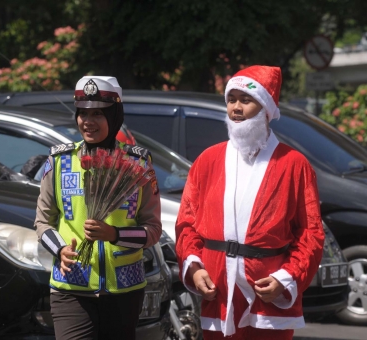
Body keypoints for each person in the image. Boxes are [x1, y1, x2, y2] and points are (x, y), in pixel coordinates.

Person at [175, 65, 325, 340]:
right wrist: (194, 268)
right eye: (231, 100)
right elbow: (187, 223)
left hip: (268, 291)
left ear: (265, 109)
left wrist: (286, 278)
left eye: (246, 100)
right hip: (218, 290)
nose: (236, 108)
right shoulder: (208, 160)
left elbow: (311, 232)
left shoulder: (294, 164)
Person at [34, 76, 162, 340]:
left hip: (125, 291)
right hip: (71, 287)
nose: (87, 122)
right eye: (82, 113)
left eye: (98, 114)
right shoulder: (59, 161)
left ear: (114, 115)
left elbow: (153, 229)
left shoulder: (138, 163)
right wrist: (60, 249)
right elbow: (43, 221)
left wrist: (114, 234)